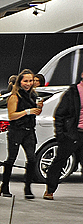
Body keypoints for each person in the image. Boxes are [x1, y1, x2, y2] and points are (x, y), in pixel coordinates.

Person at [0, 69, 42, 198]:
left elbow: (36, 113)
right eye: (25, 81)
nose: (28, 84)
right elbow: (11, 116)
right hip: (16, 131)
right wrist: (28, 111)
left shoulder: (33, 95)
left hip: (29, 131)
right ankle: (5, 186)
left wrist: (38, 108)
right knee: (11, 159)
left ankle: (28, 188)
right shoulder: (14, 96)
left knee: (32, 159)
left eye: (30, 81)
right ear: (20, 82)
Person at [43, 69, 83, 200]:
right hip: (72, 134)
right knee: (59, 163)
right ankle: (49, 190)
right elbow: (59, 114)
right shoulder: (72, 92)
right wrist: (60, 135)